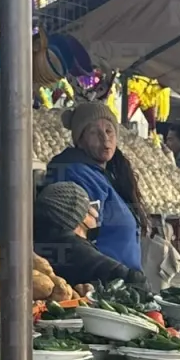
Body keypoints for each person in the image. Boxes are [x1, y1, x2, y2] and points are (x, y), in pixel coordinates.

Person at [44, 102, 143, 272]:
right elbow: (82, 240)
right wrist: (118, 274)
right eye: (94, 132)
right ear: (80, 141)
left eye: (109, 131)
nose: (105, 139)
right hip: (104, 287)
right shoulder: (78, 175)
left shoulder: (103, 173)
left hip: (121, 285)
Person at [35, 181, 146, 287]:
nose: (96, 212)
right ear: (77, 216)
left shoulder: (43, 243)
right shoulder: (77, 250)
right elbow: (135, 281)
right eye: (89, 207)